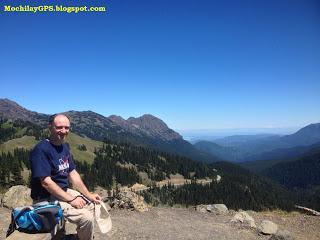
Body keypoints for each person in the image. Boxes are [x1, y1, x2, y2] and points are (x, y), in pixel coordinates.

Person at [30, 113, 101, 240]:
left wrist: (88, 194)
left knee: (92, 204)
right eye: (59, 127)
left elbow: (73, 174)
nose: (63, 131)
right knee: (86, 217)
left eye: (67, 127)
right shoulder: (41, 149)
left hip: (62, 191)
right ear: (50, 127)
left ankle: (66, 235)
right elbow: (46, 182)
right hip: (46, 197)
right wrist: (72, 200)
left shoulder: (64, 148)